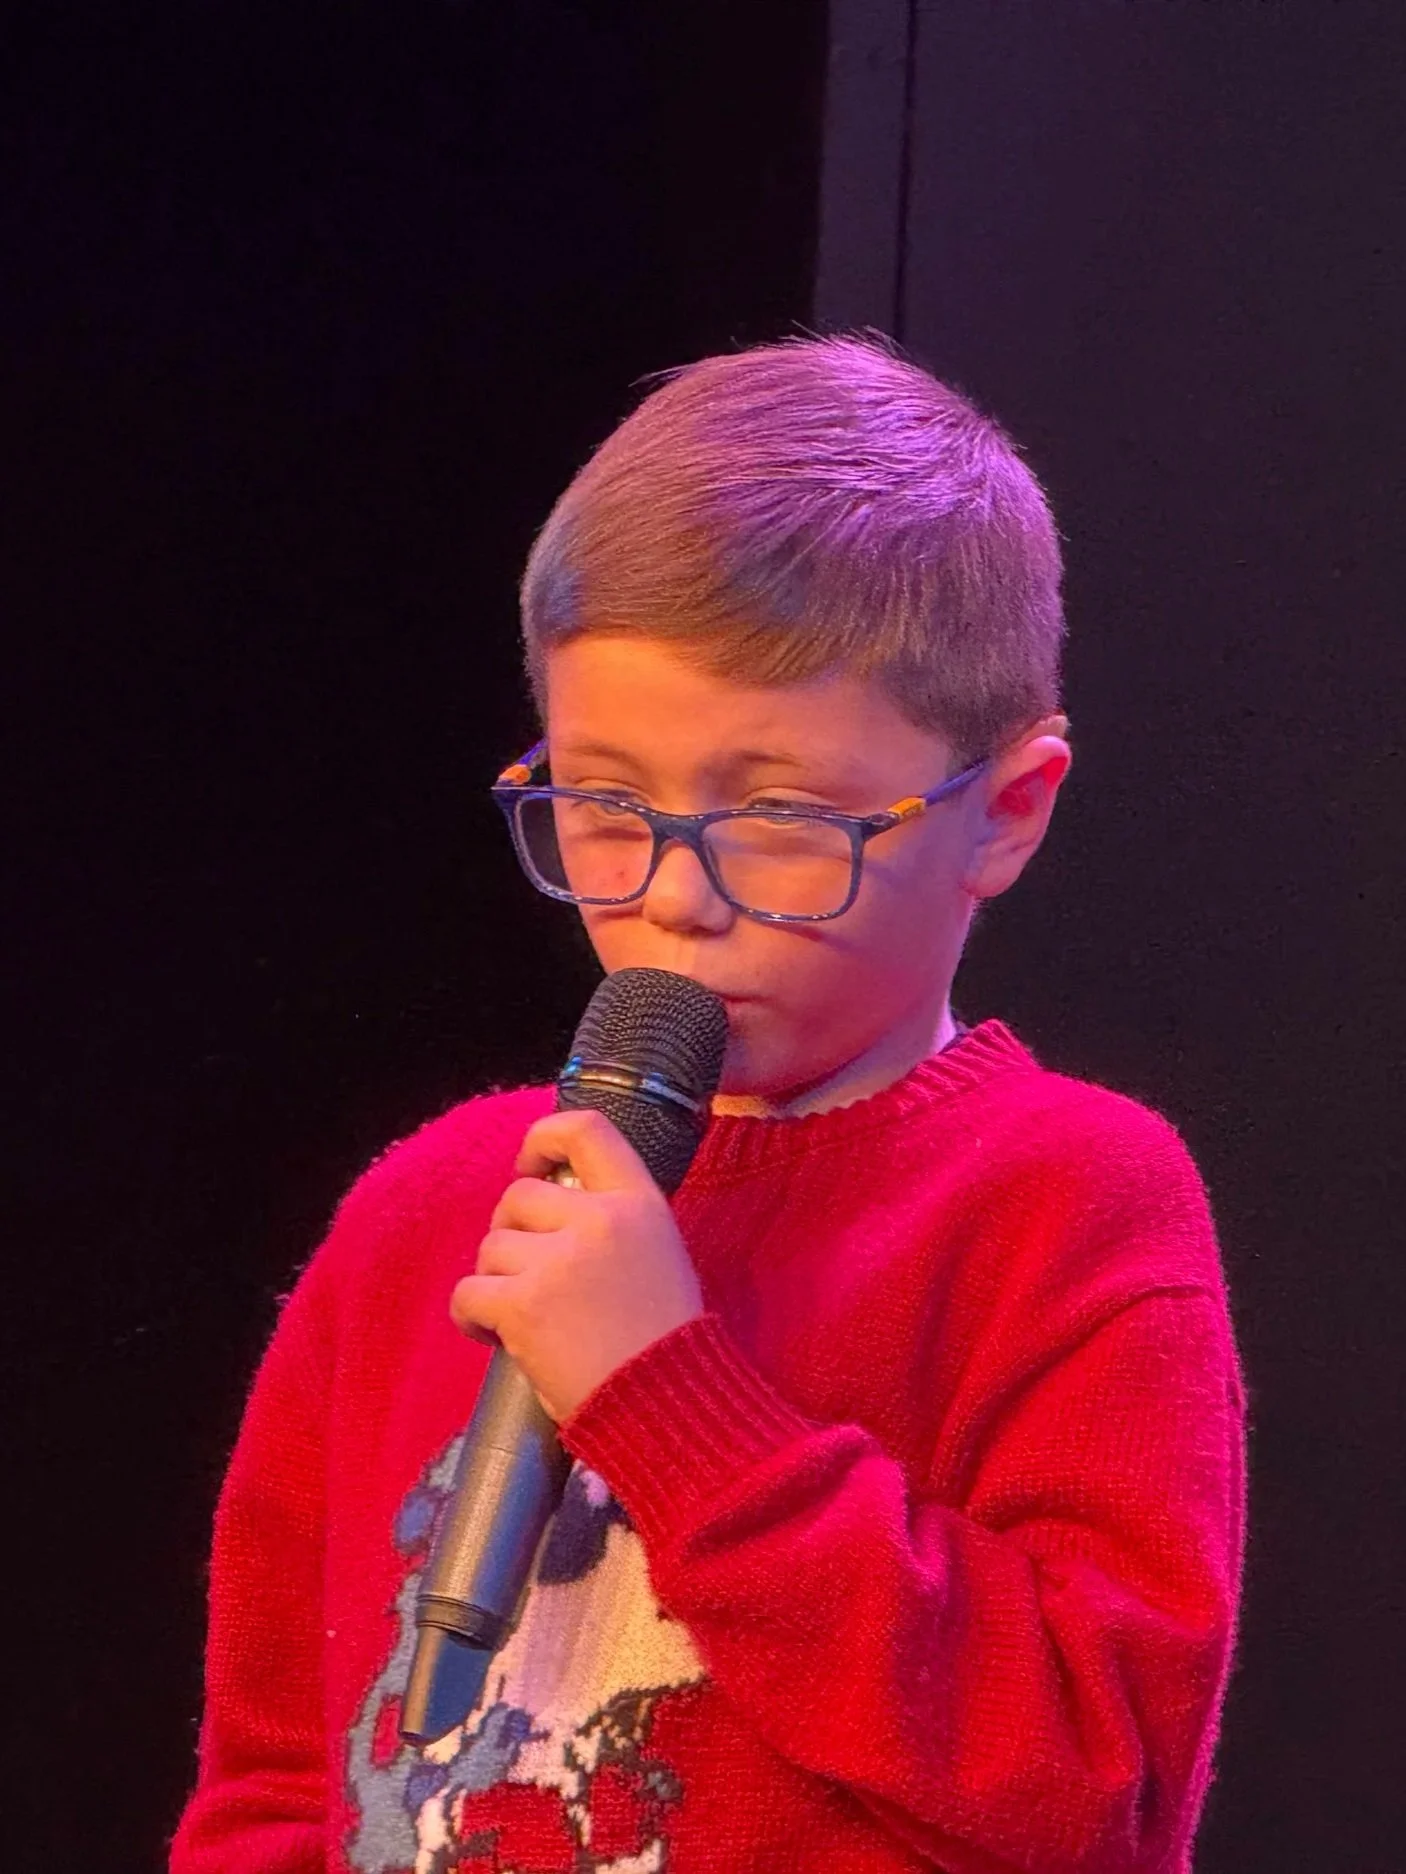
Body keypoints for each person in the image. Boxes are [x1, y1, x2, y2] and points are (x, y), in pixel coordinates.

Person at [171, 334, 1245, 1873]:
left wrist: (667, 1391)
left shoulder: (1065, 1202)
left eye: (783, 818)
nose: (673, 898)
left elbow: (1087, 1794)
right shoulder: (429, 1206)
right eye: (607, 808)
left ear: (1003, 813)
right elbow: (276, 1774)